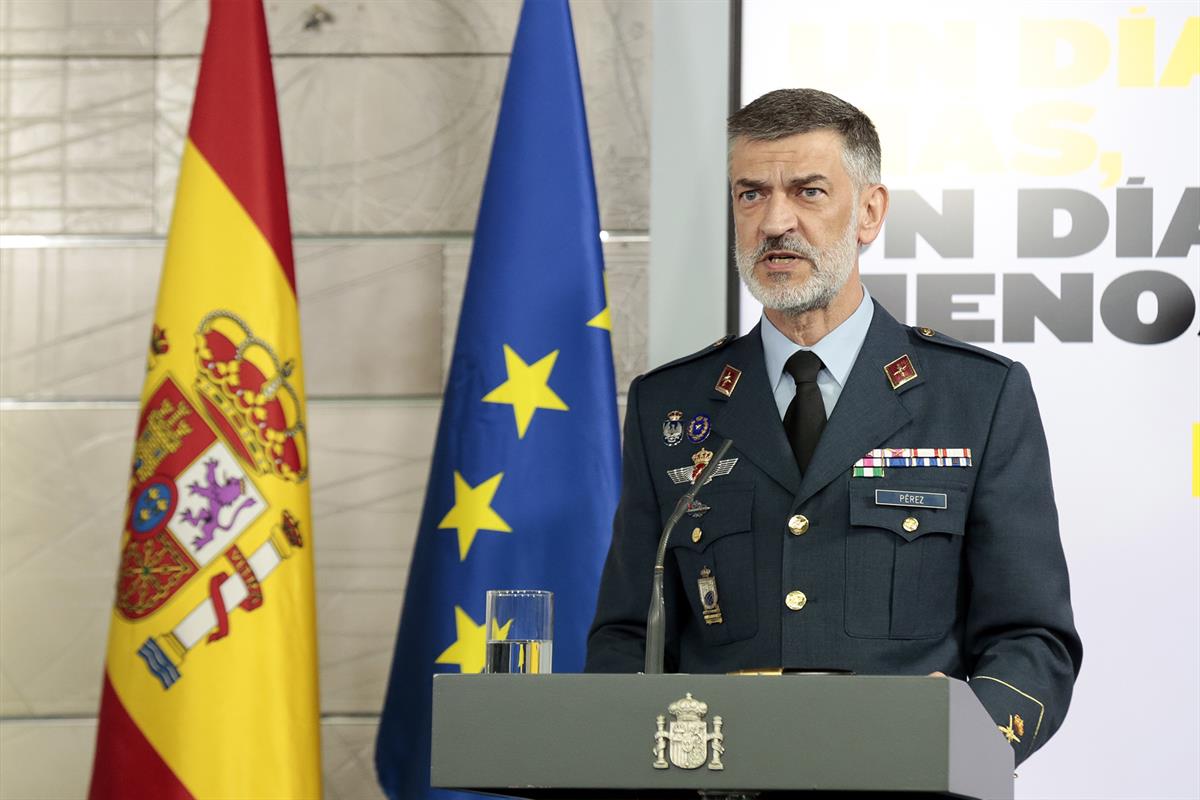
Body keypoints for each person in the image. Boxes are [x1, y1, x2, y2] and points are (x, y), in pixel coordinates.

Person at [584, 88, 1082, 765]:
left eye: (808, 191)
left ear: (870, 212)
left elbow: (1033, 639)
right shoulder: (668, 406)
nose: (774, 222)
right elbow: (624, 634)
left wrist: (959, 736)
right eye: (750, 194)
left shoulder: (978, 397)